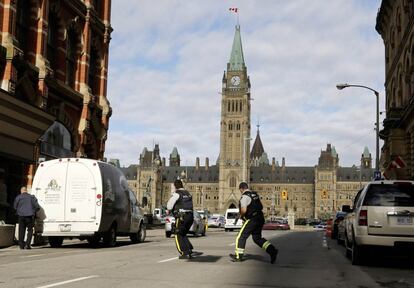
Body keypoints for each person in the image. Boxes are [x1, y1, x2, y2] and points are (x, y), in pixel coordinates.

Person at [229, 182, 278, 263]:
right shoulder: (255, 194)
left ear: (241, 189)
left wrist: (241, 215)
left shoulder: (244, 196)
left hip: (252, 219)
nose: (240, 192)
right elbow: (257, 206)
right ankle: (272, 251)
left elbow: (244, 210)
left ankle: (238, 256)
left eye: (240, 190)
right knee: (257, 238)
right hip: (260, 218)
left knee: (241, 236)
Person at [166, 179, 196, 259]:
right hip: (190, 217)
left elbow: (169, 206)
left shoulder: (177, 194)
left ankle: (184, 252)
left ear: (175, 186)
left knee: (177, 233)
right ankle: (189, 249)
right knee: (183, 233)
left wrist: (170, 209)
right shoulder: (188, 193)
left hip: (182, 217)